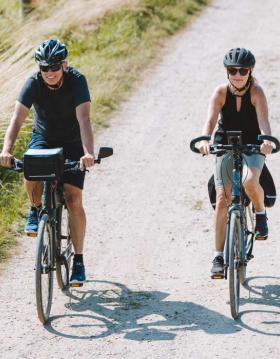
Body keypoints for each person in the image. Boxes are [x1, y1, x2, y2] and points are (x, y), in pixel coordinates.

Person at [0, 38, 95, 286]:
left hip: (73, 142)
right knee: (29, 171)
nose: (50, 73)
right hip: (43, 138)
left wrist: (88, 153)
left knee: (73, 197)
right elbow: (17, 119)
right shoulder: (32, 83)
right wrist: (6, 150)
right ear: (39, 68)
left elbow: (84, 119)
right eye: (44, 68)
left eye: (54, 67)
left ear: (64, 64)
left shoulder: (77, 81)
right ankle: (35, 209)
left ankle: (79, 261)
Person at [198, 47, 274, 279]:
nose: (238, 74)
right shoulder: (220, 92)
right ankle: (218, 256)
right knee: (223, 198)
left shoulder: (256, 92)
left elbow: (264, 123)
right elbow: (209, 122)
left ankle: (260, 215)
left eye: (242, 70)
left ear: (250, 71)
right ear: (226, 71)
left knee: (251, 181)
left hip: (252, 143)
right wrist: (203, 139)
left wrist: (267, 141)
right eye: (233, 70)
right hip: (226, 142)